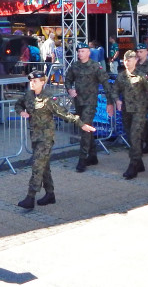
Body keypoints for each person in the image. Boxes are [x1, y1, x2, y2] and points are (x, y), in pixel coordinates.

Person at [15, 69, 96, 209]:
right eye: (31, 81)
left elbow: (64, 113)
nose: (32, 84)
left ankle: (30, 197)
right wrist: (21, 112)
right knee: (44, 166)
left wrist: (81, 124)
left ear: (42, 82)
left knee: (37, 166)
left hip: (46, 138)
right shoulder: (28, 95)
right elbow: (18, 104)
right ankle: (50, 194)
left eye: (35, 81)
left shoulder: (48, 99)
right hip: (35, 137)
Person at [64, 42, 117, 171]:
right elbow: (68, 80)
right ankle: (93, 155)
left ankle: (82, 159)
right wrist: (69, 90)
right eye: (78, 51)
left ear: (88, 52)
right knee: (87, 129)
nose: (80, 53)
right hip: (78, 102)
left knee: (85, 128)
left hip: (90, 103)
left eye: (82, 51)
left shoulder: (95, 66)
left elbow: (105, 83)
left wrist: (110, 102)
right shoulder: (75, 66)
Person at [118, 51, 148, 180]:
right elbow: (115, 90)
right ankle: (139, 163)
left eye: (130, 60)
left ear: (136, 61)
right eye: (126, 60)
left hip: (139, 111)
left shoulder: (142, 76)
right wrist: (116, 100)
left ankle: (133, 166)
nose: (127, 62)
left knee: (135, 137)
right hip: (126, 111)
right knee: (131, 137)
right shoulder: (121, 76)